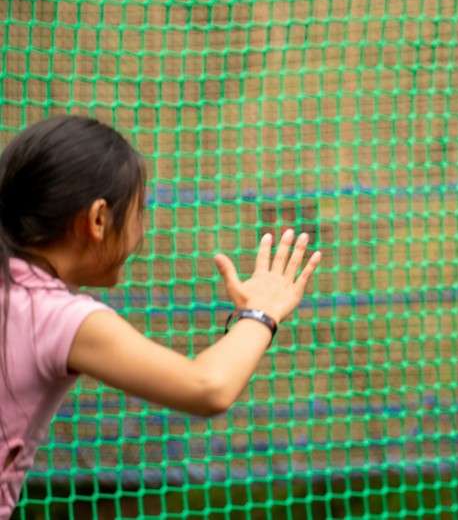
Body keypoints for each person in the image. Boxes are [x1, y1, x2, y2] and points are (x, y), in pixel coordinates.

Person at [0, 115, 321, 516]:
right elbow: (208, 388)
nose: (141, 231)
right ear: (98, 219)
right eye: (139, 211)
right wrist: (262, 312)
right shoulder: (55, 315)